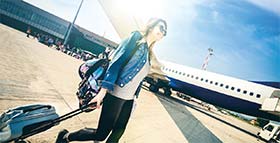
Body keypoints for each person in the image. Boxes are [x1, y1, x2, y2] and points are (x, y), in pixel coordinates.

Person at [55, 18, 167, 143]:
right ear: (151, 26)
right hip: (116, 94)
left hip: (128, 100)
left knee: (117, 134)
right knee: (101, 135)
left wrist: (135, 97)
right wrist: (102, 93)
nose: (163, 32)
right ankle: (65, 137)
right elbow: (116, 63)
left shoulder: (149, 54)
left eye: (165, 32)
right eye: (161, 28)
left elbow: (139, 78)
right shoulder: (136, 38)